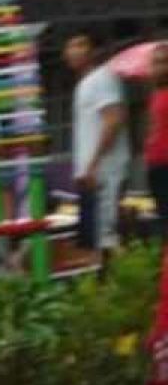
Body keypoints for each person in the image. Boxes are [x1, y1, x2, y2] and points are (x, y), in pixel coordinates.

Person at [64, 31, 132, 251]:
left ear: (94, 51)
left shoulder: (103, 78)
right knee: (93, 238)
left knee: (107, 234)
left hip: (104, 170)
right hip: (90, 173)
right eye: (70, 46)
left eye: (80, 44)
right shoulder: (84, 84)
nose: (74, 51)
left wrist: (94, 164)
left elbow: (113, 119)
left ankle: (118, 279)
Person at [147, 43, 168, 240]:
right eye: (154, 63)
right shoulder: (156, 94)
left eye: (163, 62)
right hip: (156, 165)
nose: (158, 67)